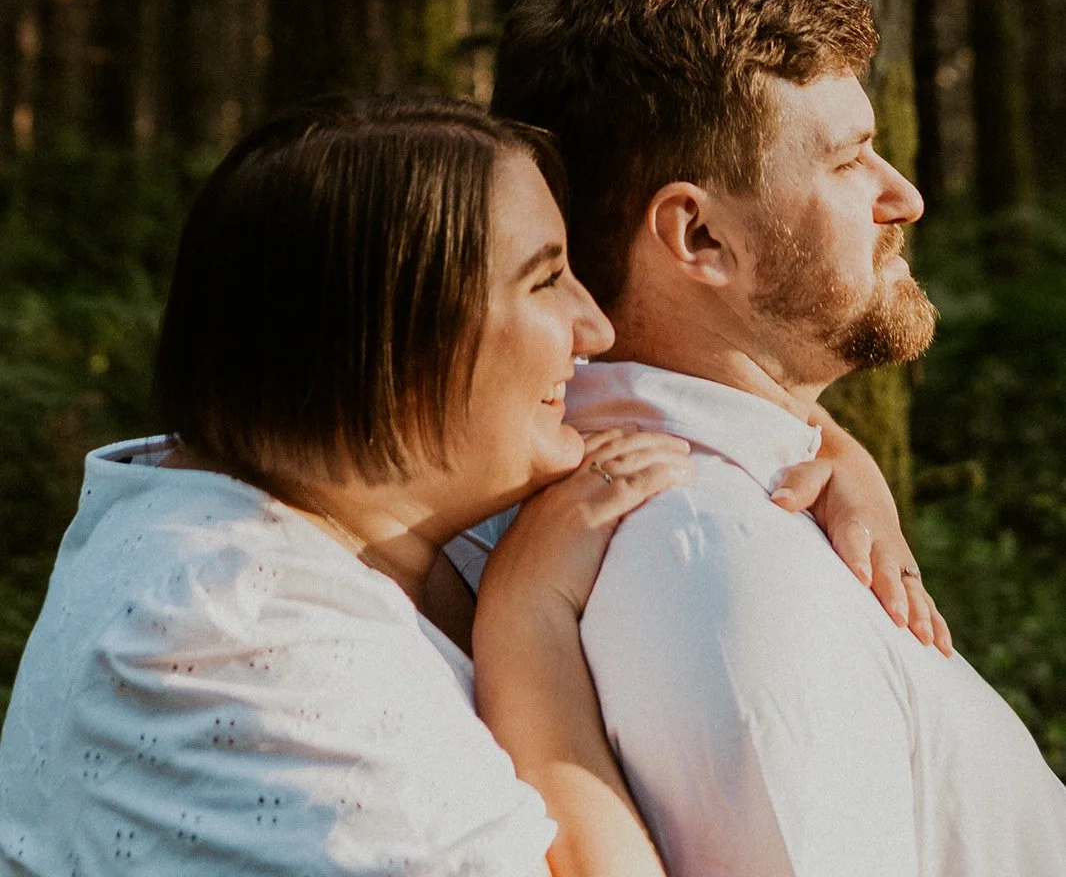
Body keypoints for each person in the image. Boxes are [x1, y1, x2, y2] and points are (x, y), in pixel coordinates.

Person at [0, 93, 915, 877]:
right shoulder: (227, 650)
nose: (592, 328)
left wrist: (818, 446)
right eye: (546, 281)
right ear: (390, 350)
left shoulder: (330, 481)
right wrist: (527, 622)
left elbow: (675, 395)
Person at [492, 0, 1066, 877]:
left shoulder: (746, 501)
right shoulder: (721, 568)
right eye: (849, 162)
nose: (907, 198)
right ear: (700, 235)